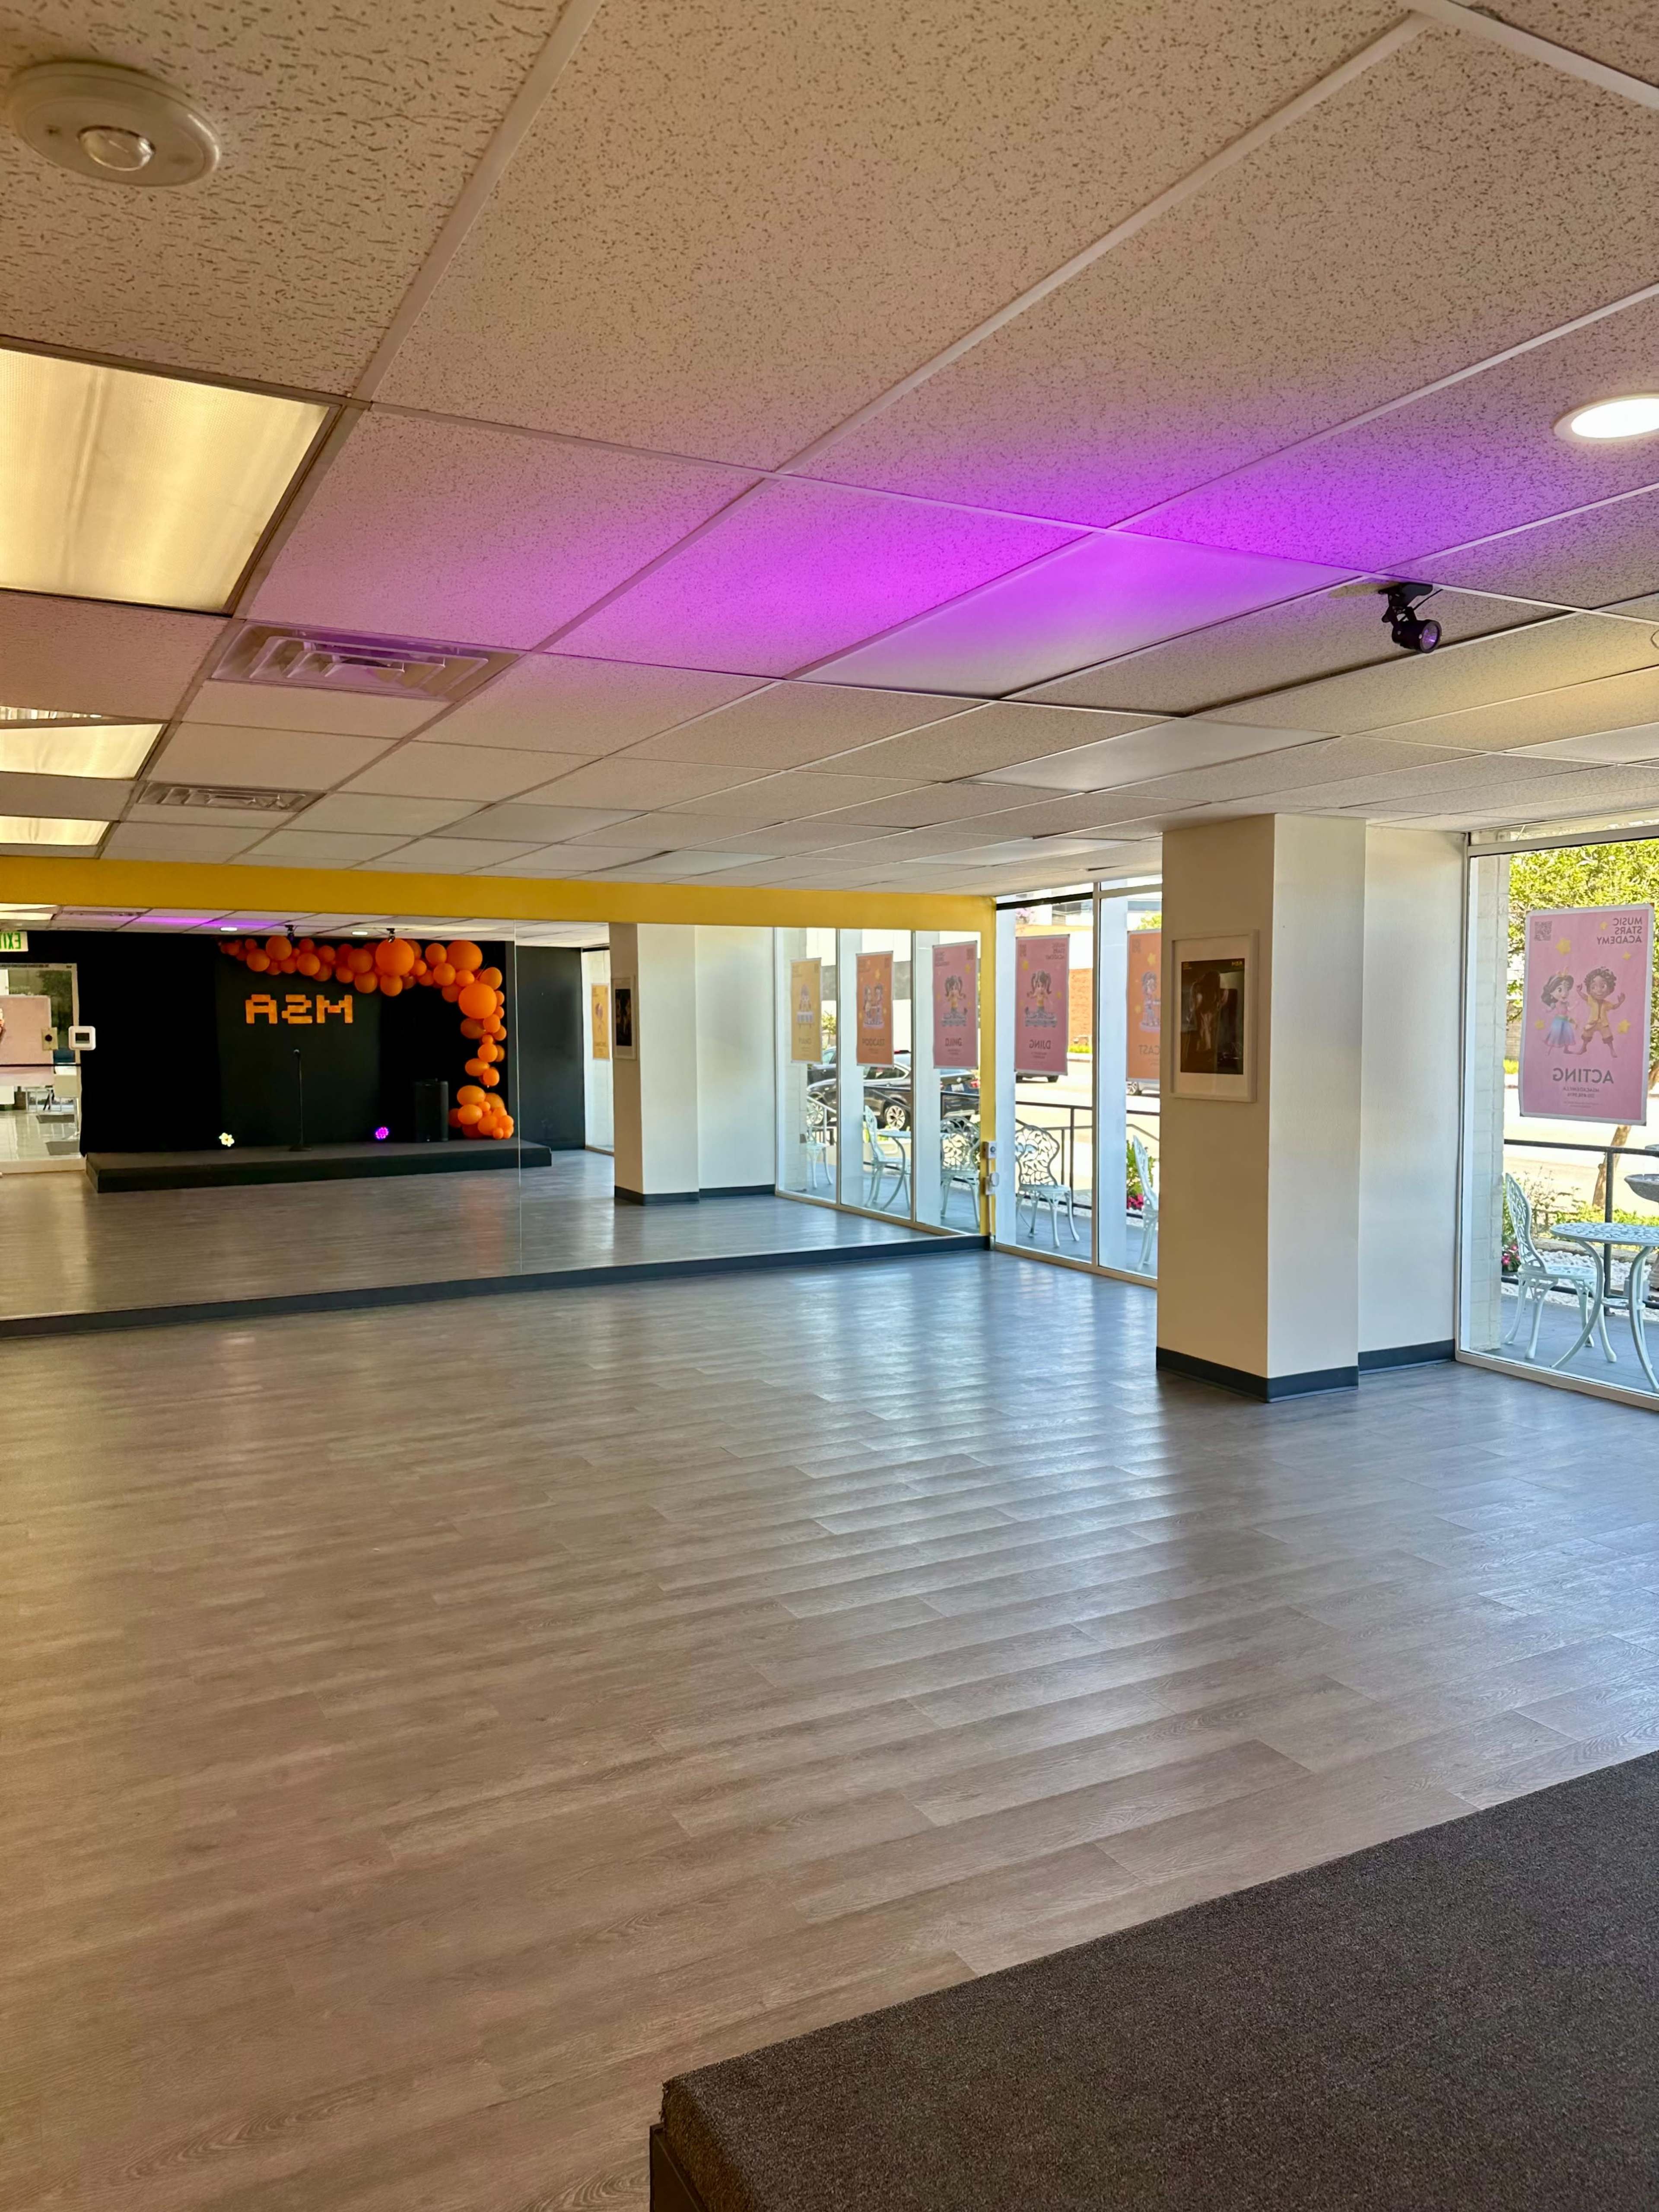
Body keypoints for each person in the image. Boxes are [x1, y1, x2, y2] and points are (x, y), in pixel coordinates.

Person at [1577, 966, 1625, 1057]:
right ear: (1589, 990)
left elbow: (1614, 1007)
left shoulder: (1607, 1004)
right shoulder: (1591, 1000)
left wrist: (1620, 1002)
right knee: (1587, 1035)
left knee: (1608, 1037)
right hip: (1592, 1023)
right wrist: (1579, 992)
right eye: (1594, 987)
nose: (1599, 990)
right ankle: (1583, 1048)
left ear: (1610, 989)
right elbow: (1585, 997)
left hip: (1603, 1023)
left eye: (1603, 987)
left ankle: (1612, 1050)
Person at [1539, 971, 1577, 1054]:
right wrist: (1546, 1010)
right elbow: (1550, 1009)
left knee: (1567, 1035)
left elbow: (1569, 1009)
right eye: (1560, 990)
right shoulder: (1555, 1003)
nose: (1565, 993)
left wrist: (1575, 1005)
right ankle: (1549, 1051)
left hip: (1565, 1021)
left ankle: (1566, 1049)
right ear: (1551, 992)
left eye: (1567, 989)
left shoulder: (1567, 1003)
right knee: (1555, 1036)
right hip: (1558, 1021)